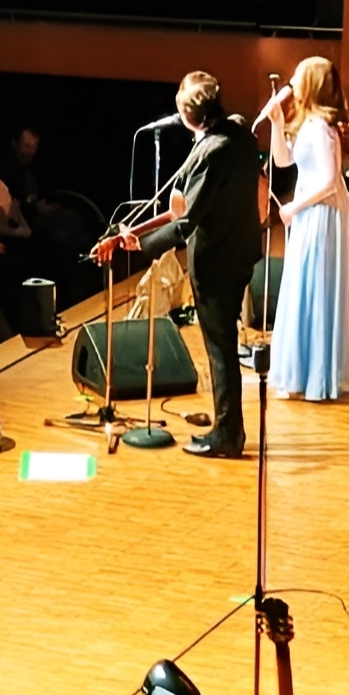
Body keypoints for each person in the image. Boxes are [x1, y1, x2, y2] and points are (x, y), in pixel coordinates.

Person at [93, 72, 267, 457]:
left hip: (217, 261)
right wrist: (134, 230)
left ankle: (228, 436)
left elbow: (186, 221)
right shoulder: (238, 133)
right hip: (240, 252)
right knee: (223, 346)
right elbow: (184, 207)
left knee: (220, 351)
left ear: (188, 113)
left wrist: (141, 245)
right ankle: (229, 429)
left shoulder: (212, 150)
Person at [260, 56, 349, 401]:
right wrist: (275, 123)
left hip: (323, 215)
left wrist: (293, 207)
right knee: (304, 288)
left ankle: (317, 375)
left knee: (315, 289)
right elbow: (284, 161)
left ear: (311, 84)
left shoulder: (321, 128)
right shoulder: (308, 124)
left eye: (297, 77)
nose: (291, 82)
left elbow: (331, 182)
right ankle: (303, 373)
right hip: (310, 213)